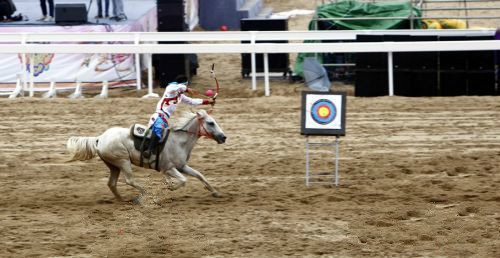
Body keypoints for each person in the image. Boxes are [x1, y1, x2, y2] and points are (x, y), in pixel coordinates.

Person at [143, 82, 215, 158]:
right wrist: (187, 89)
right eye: (185, 85)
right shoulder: (170, 88)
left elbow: (192, 101)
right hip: (158, 116)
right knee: (158, 131)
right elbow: (176, 87)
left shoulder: (180, 96)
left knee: (167, 138)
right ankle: (148, 150)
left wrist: (207, 101)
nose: (185, 87)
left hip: (164, 119)